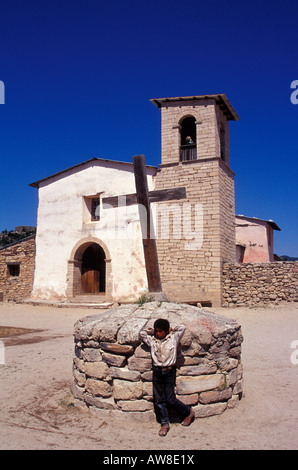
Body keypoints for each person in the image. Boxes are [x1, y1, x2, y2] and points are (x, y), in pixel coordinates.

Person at [140, 318, 195, 436]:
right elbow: (142, 333)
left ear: (166, 331)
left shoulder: (173, 338)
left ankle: (188, 412)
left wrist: (171, 329)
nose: (158, 333)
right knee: (159, 399)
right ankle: (165, 423)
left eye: (161, 331)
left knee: (170, 399)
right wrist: (151, 331)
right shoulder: (152, 341)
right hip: (157, 372)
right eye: (157, 331)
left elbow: (182, 328)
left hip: (169, 372)